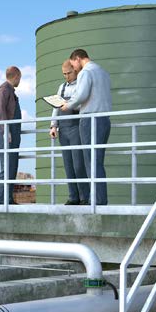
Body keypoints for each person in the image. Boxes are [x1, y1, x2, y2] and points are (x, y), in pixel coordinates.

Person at [60, 48, 112, 205]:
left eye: (73, 65)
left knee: (90, 161)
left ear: (77, 59)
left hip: (90, 120)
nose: (74, 68)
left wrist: (67, 105)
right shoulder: (103, 73)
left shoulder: (85, 72)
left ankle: (96, 200)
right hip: (104, 119)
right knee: (98, 161)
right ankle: (100, 199)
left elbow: (81, 95)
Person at [50, 59, 89, 205]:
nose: (67, 76)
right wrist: (53, 126)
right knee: (68, 165)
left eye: (69, 73)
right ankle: (73, 197)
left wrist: (70, 104)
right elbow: (55, 108)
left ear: (75, 71)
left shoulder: (80, 85)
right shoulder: (61, 87)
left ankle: (85, 197)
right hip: (63, 129)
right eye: (64, 74)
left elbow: (83, 104)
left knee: (79, 164)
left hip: (76, 127)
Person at [0, 66, 22, 205]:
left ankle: (8, 199)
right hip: (7, 134)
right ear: (16, 76)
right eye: (19, 78)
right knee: (7, 168)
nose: (19, 81)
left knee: (12, 168)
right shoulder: (4, 90)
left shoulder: (10, 91)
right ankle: (2, 201)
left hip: (12, 134)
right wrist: (6, 131)